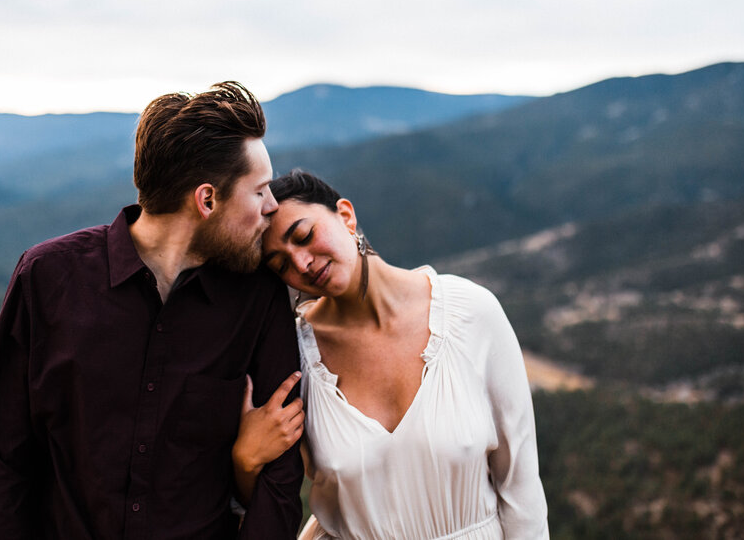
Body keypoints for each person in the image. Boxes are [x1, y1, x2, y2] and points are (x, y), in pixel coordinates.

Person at [0, 82, 304, 539]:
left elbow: (280, 479)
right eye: (259, 192)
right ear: (207, 200)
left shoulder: (257, 298)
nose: (272, 207)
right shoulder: (48, 278)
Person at [232, 170, 549, 540]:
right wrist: (244, 459)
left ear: (346, 216)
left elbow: (521, 486)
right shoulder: (295, 355)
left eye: (304, 236)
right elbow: (270, 504)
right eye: (281, 264)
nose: (301, 263)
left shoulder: (472, 313)